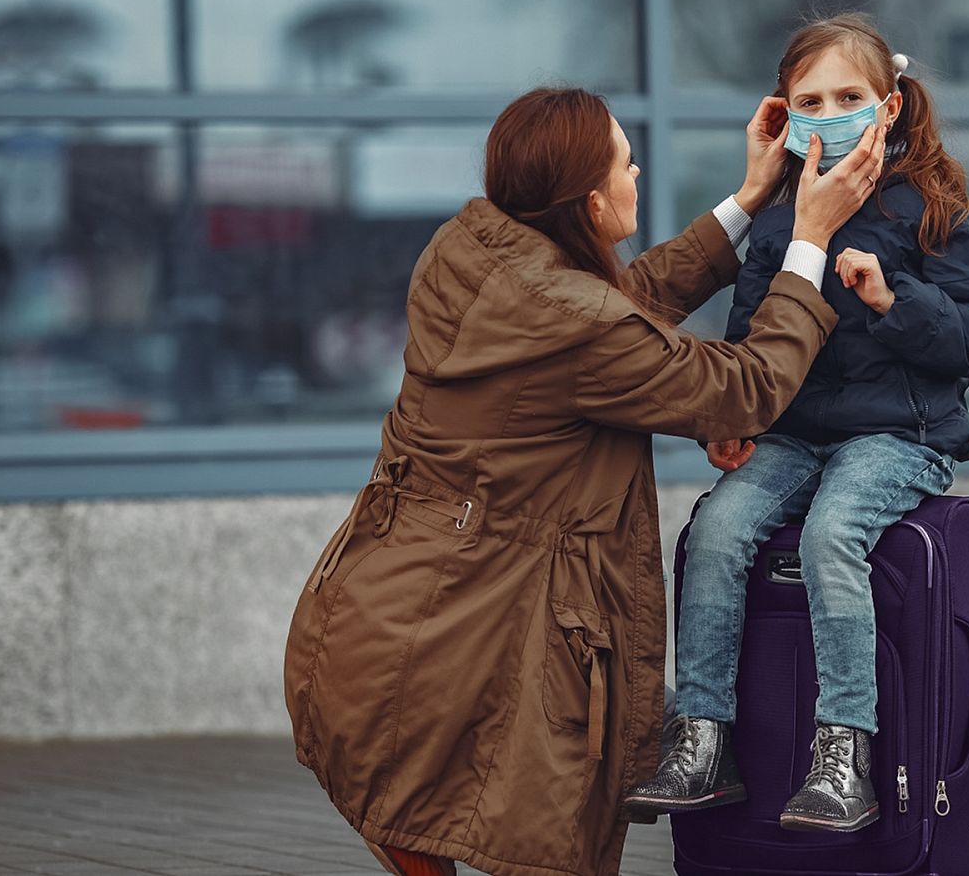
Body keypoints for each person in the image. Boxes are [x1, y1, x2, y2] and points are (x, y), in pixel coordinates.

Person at [284, 85, 885, 876]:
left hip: (397, 602)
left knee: (437, 811)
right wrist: (809, 238)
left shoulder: (470, 252)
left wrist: (747, 201)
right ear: (592, 202)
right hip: (475, 622)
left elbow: (615, 313)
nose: (637, 173)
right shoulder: (574, 321)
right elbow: (743, 388)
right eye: (626, 163)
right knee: (520, 827)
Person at [623, 12, 969, 833]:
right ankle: (701, 738)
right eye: (810, 101)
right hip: (794, 436)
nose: (829, 114)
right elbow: (751, 330)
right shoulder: (778, 214)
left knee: (832, 534)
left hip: (900, 436)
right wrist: (731, 418)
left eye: (848, 97)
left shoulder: (929, 204)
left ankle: (844, 755)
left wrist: (895, 299)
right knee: (715, 530)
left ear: (890, 106)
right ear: (783, 114)